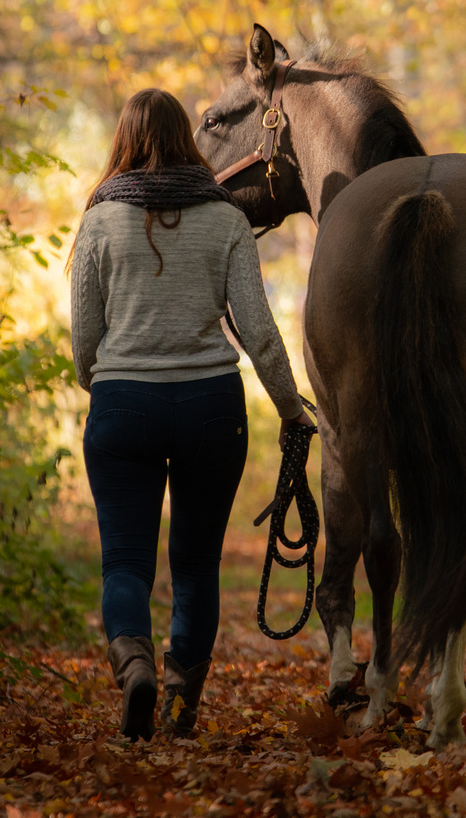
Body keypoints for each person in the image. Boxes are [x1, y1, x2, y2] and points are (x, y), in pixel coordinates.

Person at [68, 87, 311, 741]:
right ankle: (180, 697)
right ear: (188, 139)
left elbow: (83, 339)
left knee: (125, 562)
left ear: (124, 138)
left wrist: (106, 384)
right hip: (210, 405)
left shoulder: (97, 220)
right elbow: (257, 331)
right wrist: (291, 409)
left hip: (122, 404)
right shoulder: (226, 219)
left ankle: (136, 664)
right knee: (197, 563)